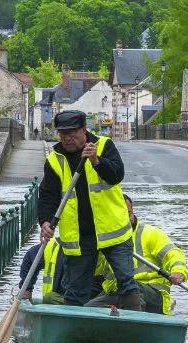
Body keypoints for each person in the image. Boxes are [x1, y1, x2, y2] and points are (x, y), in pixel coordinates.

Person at [37, 109, 142, 310]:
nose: (67, 138)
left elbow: (117, 175)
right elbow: (47, 196)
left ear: (84, 131)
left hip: (113, 231)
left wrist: (96, 161)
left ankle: (132, 323)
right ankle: (73, 329)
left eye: (72, 133)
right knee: (75, 289)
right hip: (79, 235)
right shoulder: (54, 159)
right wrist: (45, 221)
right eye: (62, 134)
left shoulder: (103, 146)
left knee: (126, 282)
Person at [88, 195, 188, 315]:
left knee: (131, 286)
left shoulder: (150, 233)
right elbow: (96, 271)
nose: (126, 219)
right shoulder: (104, 239)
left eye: (129, 214)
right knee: (89, 308)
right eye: (121, 215)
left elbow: (173, 253)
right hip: (117, 291)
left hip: (153, 293)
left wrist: (178, 271)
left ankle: (136, 324)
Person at [18, 238, 105, 305]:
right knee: (49, 298)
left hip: (91, 300)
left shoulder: (102, 247)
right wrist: (27, 290)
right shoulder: (54, 247)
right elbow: (30, 257)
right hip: (64, 299)